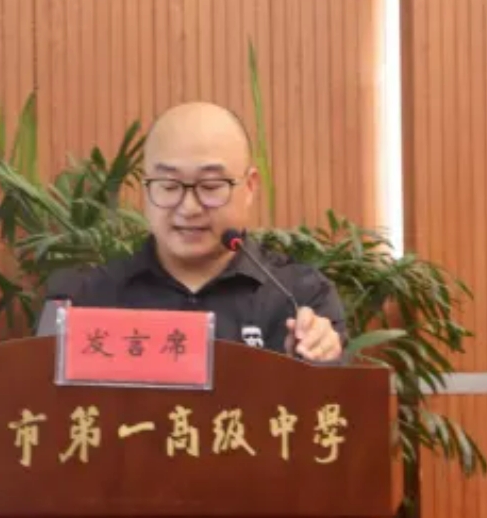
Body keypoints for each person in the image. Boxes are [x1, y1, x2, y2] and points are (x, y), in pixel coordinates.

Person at [45, 101, 347, 362]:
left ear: (249, 187)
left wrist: (313, 361)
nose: (189, 208)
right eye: (169, 186)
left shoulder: (300, 298)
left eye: (210, 186)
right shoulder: (87, 297)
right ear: (146, 188)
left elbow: (330, 404)